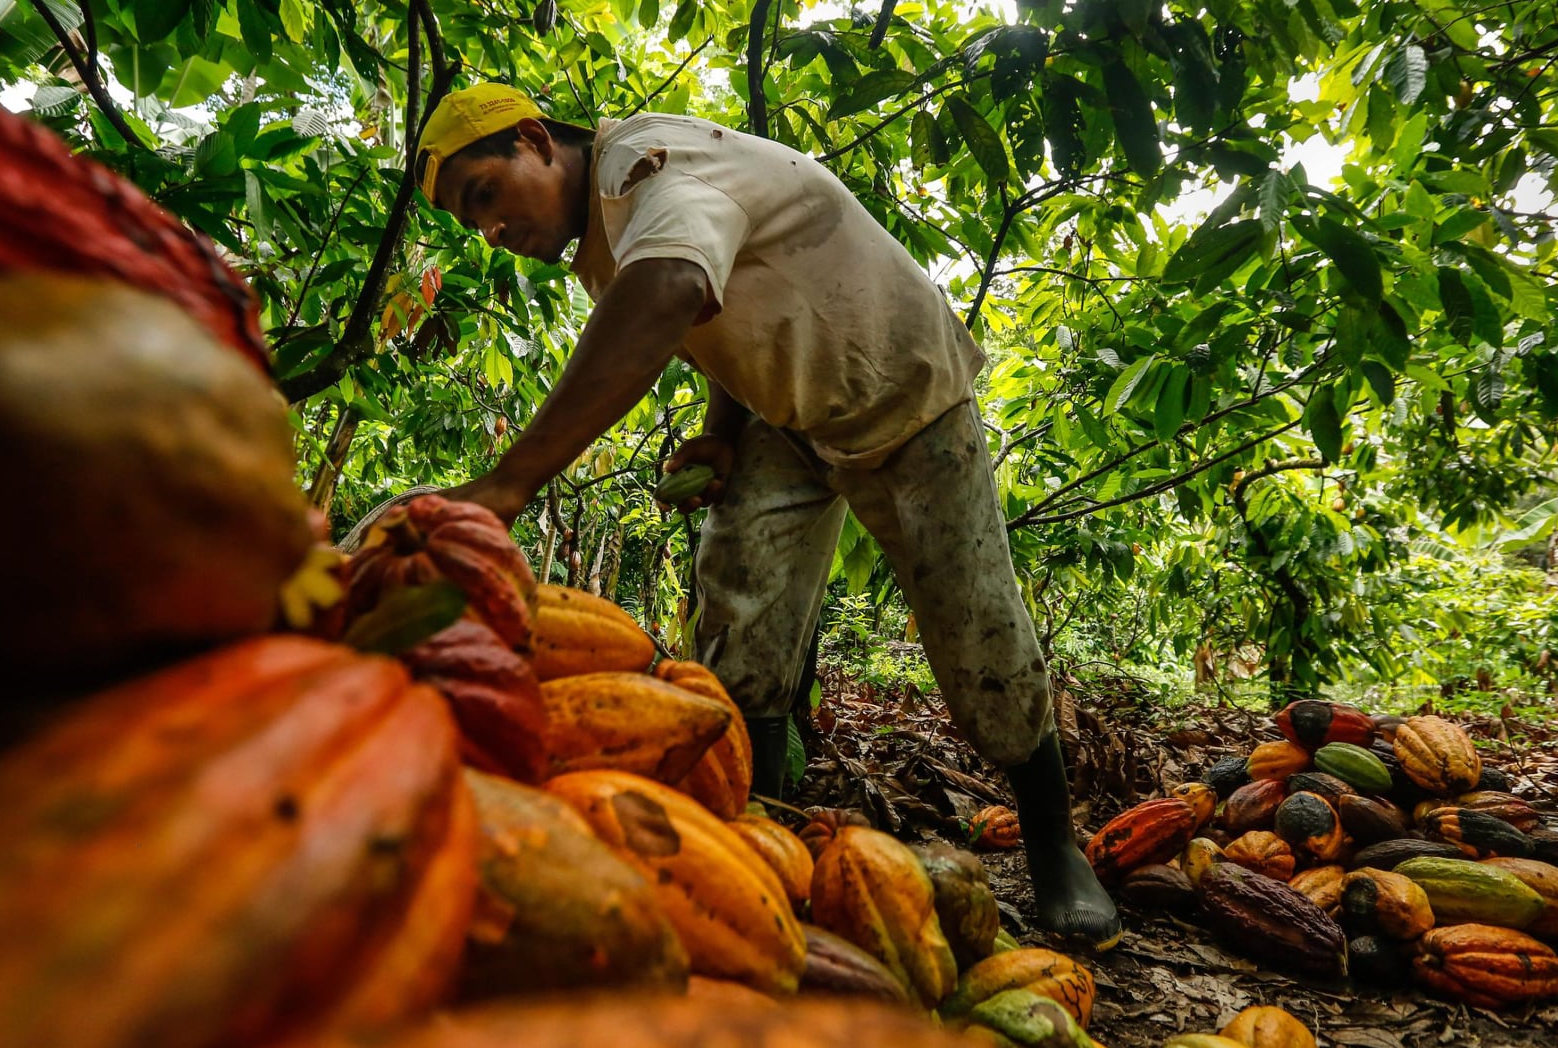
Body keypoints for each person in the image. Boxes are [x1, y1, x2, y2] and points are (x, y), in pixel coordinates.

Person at [373, 82, 1118, 936]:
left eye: (486, 198)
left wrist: (512, 481)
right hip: (786, 415)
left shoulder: (644, 168)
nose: (494, 232)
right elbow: (723, 315)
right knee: (740, 597)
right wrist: (721, 432)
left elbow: (671, 293)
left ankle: (1056, 847)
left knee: (974, 619)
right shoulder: (607, 233)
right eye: (475, 226)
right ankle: (757, 828)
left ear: (537, 141)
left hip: (901, 389)